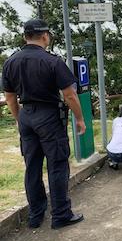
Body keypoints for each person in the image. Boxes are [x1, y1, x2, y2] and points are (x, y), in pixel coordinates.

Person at [1, 19, 85, 229]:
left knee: (32, 166)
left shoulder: (10, 62)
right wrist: (80, 119)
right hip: (49, 117)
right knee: (57, 165)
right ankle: (60, 215)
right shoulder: (53, 61)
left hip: (27, 115)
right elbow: (70, 95)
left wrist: (20, 118)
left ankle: (35, 216)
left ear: (25, 37)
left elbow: (10, 97)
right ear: (45, 36)